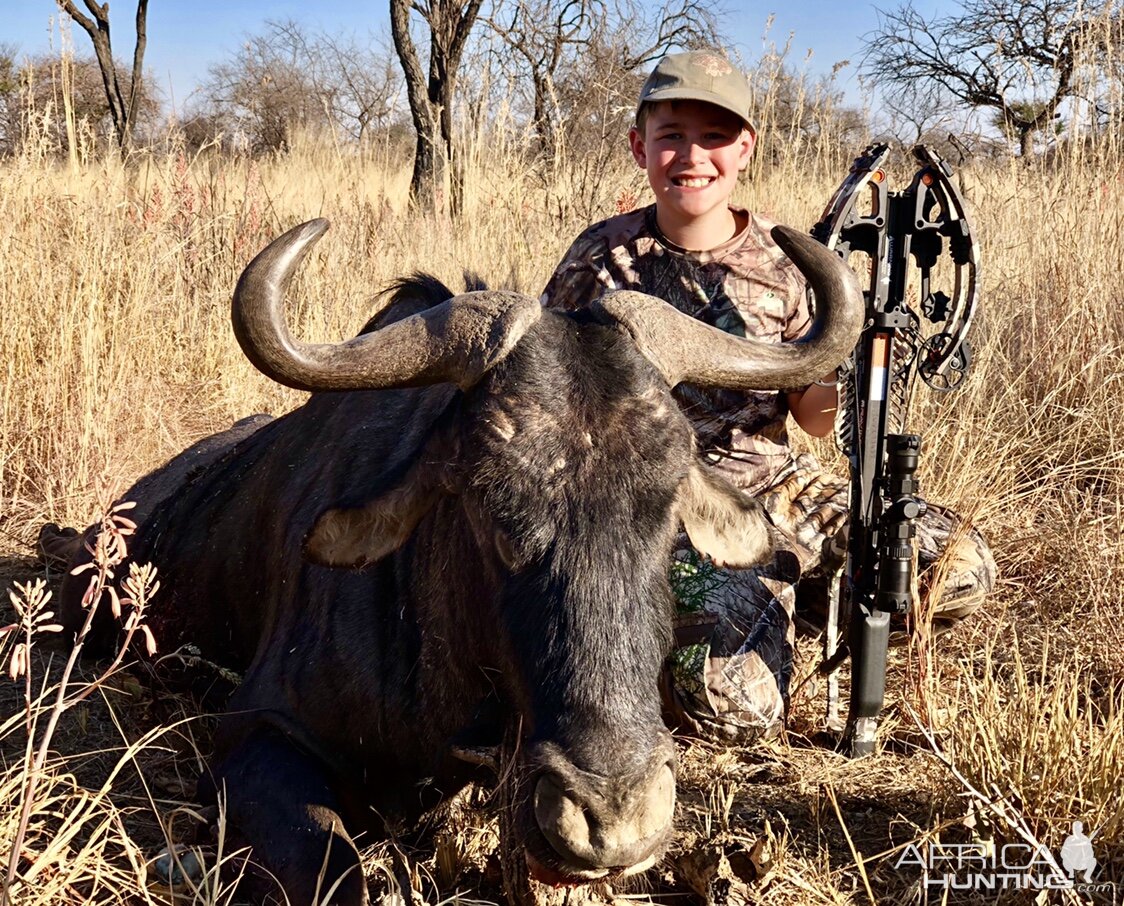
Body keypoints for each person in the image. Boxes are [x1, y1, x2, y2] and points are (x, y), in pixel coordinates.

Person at [540, 49, 996, 743]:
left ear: (745, 147)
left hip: (775, 486)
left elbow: (813, 419)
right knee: (733, 713)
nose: (692, 156)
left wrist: (860, 361)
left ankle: (780, 606)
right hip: (656, 505)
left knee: (958, 569)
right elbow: (550, 383)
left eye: (715, 136)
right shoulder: (600, 259)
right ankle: (678, 627)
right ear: (640, 146)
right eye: (671, 136)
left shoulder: (789, 266)